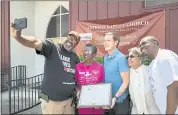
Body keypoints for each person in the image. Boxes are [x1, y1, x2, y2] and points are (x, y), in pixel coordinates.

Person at [10, 23, 81, 114]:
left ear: (76, 44)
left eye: (75, 40)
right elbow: (35, 42)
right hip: (51, 101)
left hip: (69, 101)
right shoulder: (53, 47)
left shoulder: (75, 57)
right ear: (66, 37)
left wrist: (77, 89)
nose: (71, 41)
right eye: (70, 37)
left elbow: (76, 76)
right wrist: (19, 37)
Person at [139, 36, 178, 114]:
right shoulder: (153, 63)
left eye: (144, 43)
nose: (141, 47)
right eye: (140, 46)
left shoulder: (164, 56)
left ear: (155, 43)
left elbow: (174, 86)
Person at [103, 32, 130, 114]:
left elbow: (126, 82)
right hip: (109, 100)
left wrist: (115, 97)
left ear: (115, 43)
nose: (105, 43)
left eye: (108, 40)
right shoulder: (105, 57)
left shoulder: (121, 58)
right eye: (104, 40)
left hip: (120, 100)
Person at [127, 47, 160, 114]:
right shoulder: (128, 73)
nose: (129, 58)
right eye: (128, 57)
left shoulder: (149, 71)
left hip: (153, 111)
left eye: (132, 56)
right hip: (136, 111)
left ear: (140, 58)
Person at [75, 43, 105, 114]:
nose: (86, 53)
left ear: (94, 54)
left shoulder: (100, 67)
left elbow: (102, 83)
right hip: (83, 101)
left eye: (88, 51)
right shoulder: (77, 67)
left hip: (97, 101)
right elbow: (75, 83)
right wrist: (78, 91)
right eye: (85, 50)